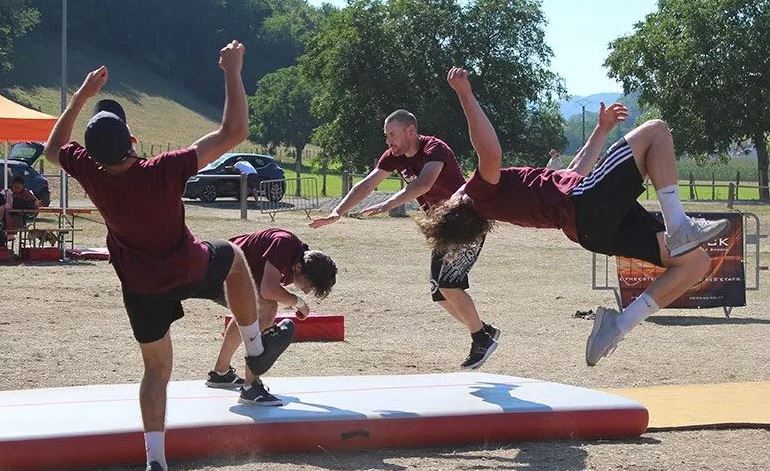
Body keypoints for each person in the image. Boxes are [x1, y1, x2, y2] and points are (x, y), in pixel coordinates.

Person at [42, 41, 294, 471]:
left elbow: (54, 148)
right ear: (134, 143)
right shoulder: (163, 170)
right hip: (186, 265)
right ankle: (255, 347)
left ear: (92, 153)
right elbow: (234, 130)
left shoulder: (90, 172)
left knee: (156, 371)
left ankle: (155, 461)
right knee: (236, 255)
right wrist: (232, 71)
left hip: (139, 286)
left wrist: (80, 96)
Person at [419, 67, 729, 368]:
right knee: (655, 130)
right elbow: (489, 151)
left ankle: (619, 324)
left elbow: (573, 173)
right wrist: (466, 96)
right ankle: (679, 226)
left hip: (591, 230)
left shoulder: (501, 201)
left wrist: (601, 130)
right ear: (455, 205)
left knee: (695, 263)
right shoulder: (478, 193)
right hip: (585, 206)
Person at [310, 110, 500, 370]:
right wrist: (337, 212)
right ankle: (483, 331)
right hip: (443, 227)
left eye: (392, 135)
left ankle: (481, 338)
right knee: (440, 293)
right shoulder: (394, 157)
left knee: (447, 284)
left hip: (467, 221)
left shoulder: (435, 149)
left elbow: (423, 184)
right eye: (386, 136)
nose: (389, 142)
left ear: (411, 131)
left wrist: (387, 204)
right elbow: (366, 185)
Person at [207, 228, 338, 405]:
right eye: (310, 285)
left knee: (250, 310)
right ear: (299, 268)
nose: (308, 291)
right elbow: (268, 290)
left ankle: (220, 373)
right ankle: (251, 386)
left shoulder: (298, 258)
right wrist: (299, 302)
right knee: (267, 306)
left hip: (222, 270)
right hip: (219, 269)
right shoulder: (284, 244)